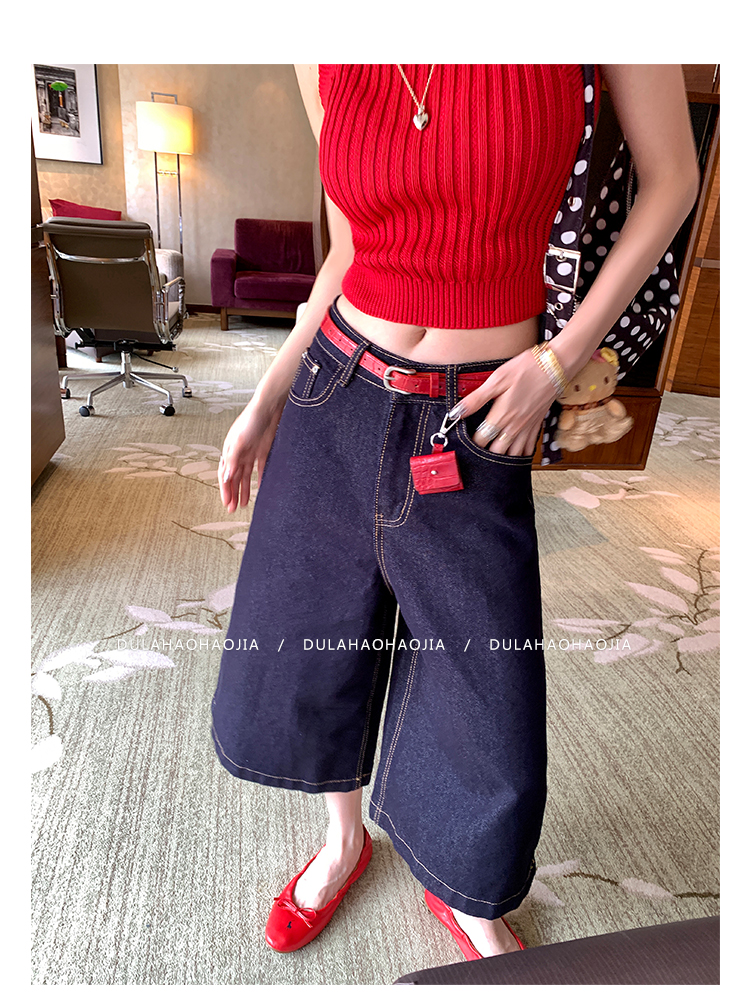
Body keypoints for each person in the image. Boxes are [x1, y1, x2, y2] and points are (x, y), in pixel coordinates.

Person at [211, 64, 699, 960]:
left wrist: (557, 361)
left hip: (479, 411)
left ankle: (461, 885)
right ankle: (343, 840)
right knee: (320, 635)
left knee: (485, 682)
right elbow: (348, 247)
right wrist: (269, 395)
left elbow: (673, 181)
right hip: (337, 385)